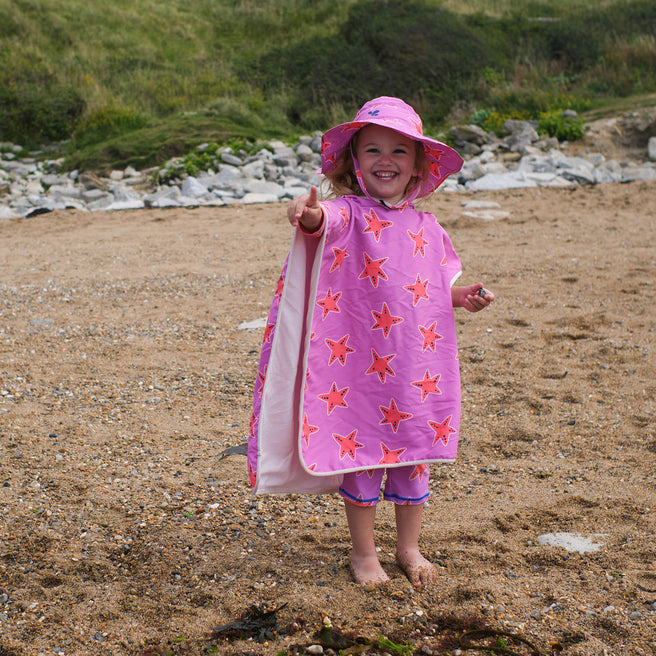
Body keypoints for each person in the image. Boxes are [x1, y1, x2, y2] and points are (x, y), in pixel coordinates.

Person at [247, 96, 494, 589]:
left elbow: (432, 283)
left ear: (419, 165)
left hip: (414, 372)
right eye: (373, 150)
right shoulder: (348, 214)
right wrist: (307, 212)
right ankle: (364, 554)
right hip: (357, 371)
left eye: (400, 151)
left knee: (410, 459)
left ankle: (409, 548)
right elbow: (320, 224)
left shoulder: (429, 227)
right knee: (361, 459)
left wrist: (460, 296)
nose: (387, 161)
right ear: (353, 162)